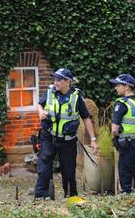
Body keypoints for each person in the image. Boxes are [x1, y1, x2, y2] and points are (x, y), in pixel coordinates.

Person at [35, 68, 98, 199]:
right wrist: (40, 112)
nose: (55, 82)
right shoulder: (50, 92)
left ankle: (71, 198)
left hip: (68, 141)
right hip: (49, 137)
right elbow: (40, 104)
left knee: (69, 171)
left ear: (67, 81)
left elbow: (86, 118)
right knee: (44, 169)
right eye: (55, 79)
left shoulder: (76, 97)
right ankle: (41, 199)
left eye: (59, 79)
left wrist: (93, 139)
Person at [110, 73, 135, 193]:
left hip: (129, 146)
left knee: (126, 183)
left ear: (126, 86)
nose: (115, 88)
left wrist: (117, 136)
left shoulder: (121, 103)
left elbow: (114, 130)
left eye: (117, 85)